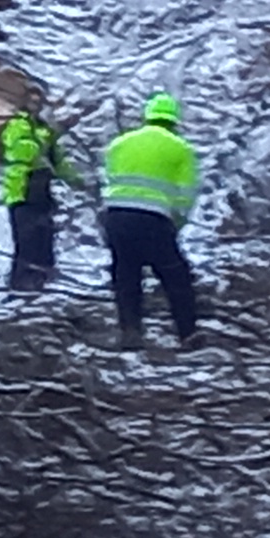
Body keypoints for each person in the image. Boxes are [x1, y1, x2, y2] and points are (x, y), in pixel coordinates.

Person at [99, 91, 207, 348]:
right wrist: (175, 223)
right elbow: (185, 195)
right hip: (153, 220)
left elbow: (109, 179)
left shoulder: (120, 143)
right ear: (173, 120)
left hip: (116, 217)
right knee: (175, 275)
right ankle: (187, 333)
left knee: (126, 274)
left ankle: (130, 330)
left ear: (147, 116)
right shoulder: (180, 148)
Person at [0, 99, 72, 296]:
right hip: (22, 192)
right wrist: (43, 140)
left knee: (43, 236)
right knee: (26, 239)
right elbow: (24, 152)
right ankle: (21, 283)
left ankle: (41, 280)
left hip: (41, 191)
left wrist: (76, 180)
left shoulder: (45, 130)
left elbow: (58, 161)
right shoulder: (17, 125)